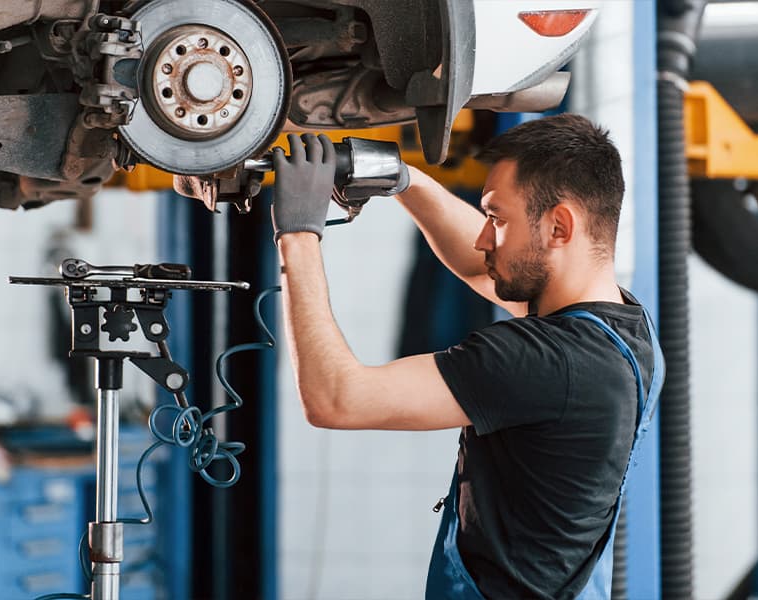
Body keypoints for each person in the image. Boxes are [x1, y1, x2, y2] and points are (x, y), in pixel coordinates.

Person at [269, 113, 664, 599]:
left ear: (559, 226)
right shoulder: (627, 331)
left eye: (497, 219)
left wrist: (297, 234)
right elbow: (482, 270)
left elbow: (336, 399)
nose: (483, 237)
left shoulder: (539, 361)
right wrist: (403, 179)